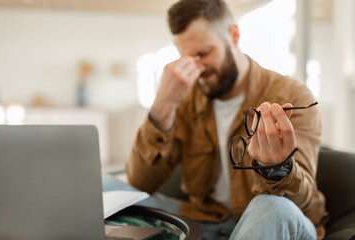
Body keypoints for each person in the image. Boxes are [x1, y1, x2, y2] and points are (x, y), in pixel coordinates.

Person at [105, 0, 329, 239]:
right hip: (205, 220)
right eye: (186, 58)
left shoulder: (292, 95)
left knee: (270, 207)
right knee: (104, 186)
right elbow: (140, 183)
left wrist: (276, 169)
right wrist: (162, 107)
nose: (196, 68)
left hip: (269, 221)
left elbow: (301, 200)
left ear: (233, 35)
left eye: (203, 53)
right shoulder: (186, 98)